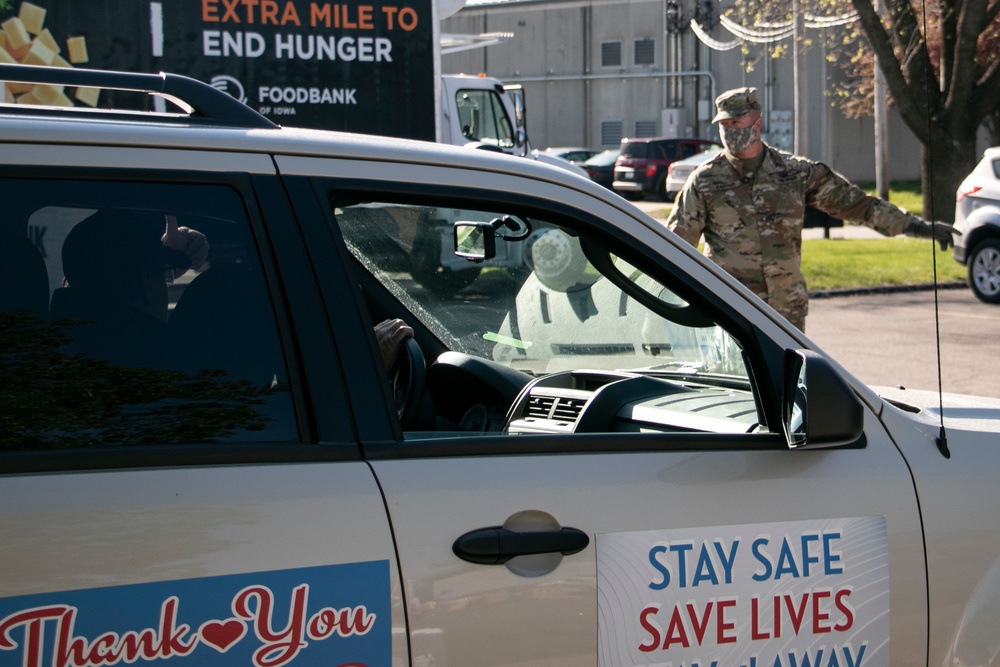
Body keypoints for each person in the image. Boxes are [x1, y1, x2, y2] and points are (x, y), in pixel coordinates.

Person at [666, 86, 958, 331]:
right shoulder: (704, 180)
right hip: (729, 310)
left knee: (787, 392)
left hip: (785, 313)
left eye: (737, 123)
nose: (730, 131)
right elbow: (675, 246)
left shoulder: (795, 174)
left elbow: (859, 206)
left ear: (757, 124)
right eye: (724, 125)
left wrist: (918, 227)